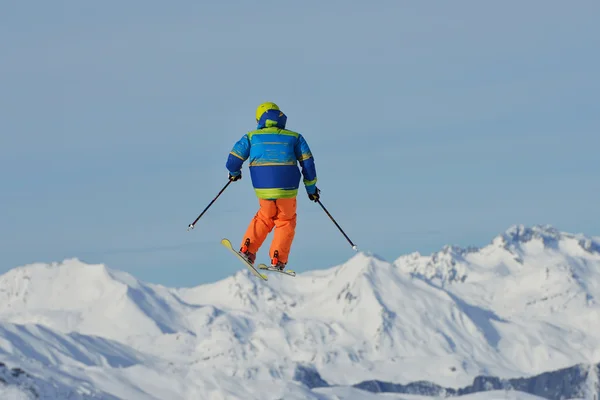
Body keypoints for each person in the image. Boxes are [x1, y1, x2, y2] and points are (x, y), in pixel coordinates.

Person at [225, 102, 319, 271]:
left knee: (264, 217)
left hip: (263, 188)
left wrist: (234, 173)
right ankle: (278, 260)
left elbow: (233, 159)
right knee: (285, 220)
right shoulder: (295, 137)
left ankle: (247, 249)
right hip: (287, 189)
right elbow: (308, 163)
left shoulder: (251, 137)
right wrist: (311, 189)